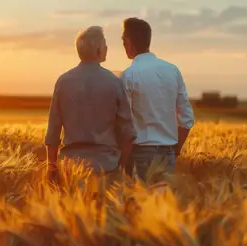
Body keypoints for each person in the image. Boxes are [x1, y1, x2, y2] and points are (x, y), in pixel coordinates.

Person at [44, 26, 136, 183]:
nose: (107, 48)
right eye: (105, 45)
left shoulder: (63, 81)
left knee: (72, 208)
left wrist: (51, 168)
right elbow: (127, 134)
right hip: (107, 167)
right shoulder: (114, 82)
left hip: (71, 169)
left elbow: (53, 133)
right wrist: (120, 167)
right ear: (99, 50)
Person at [119, 17, 195, 181]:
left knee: (141, 204)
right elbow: (187, 119)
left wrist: (122, 163)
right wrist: (175, 150)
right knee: (163, 204)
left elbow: (125, 125)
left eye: (123, 42)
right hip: (168, 154)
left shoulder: (128, 75)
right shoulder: (172, 70)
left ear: (128, 43)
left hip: (140, 155)